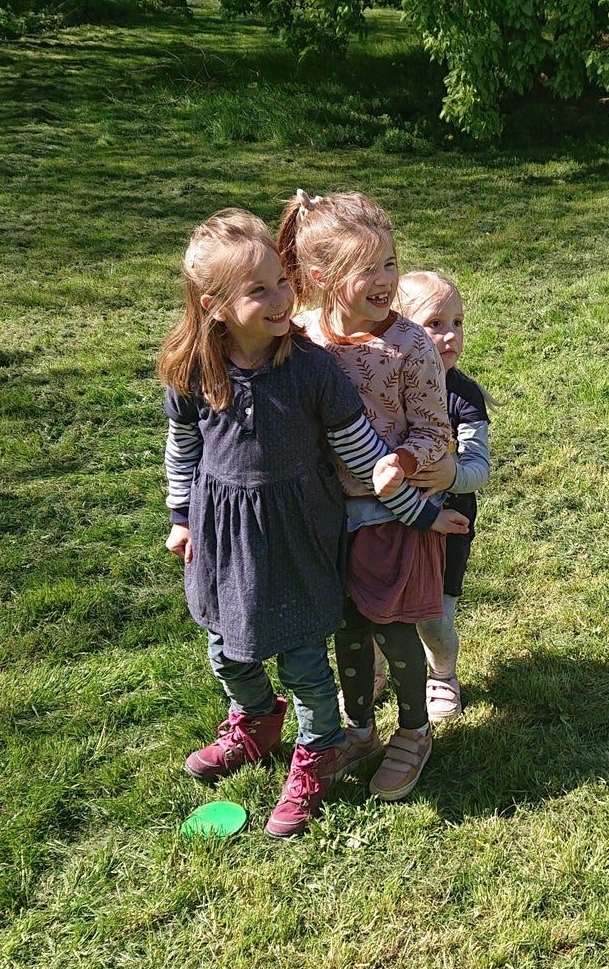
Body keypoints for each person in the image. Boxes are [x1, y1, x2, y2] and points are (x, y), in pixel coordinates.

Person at [161, 209, 442, 837]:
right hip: (223, 537)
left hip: (299, 537)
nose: (282, 297)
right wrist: (181, 515)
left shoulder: (312, 367)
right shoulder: (192, 368)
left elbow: (363, 451)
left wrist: (418, 511)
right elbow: (183, 445)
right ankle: (256, 720)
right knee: (226, 650)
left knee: (306, 664)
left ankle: (316, 756)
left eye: (281, 282)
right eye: (258, 289)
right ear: (214, 305)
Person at [280, 190, 465, 802]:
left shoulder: (410, 346)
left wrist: (405, 461)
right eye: (369, 268)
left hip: (391, 516)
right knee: (347, 629)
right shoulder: (303, 336)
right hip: (324, 517)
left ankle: (413, 731)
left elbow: (437, 431)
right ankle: (359, 727)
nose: (386, 279)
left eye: (390, 262)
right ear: (319, 277)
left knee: (392, 629)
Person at [395, 271, 492, 721]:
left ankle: (442, 675)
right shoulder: (386, 382)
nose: (450, 335)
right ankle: (376, 673)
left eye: (457, 322)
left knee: (435, 619)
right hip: (389, 522)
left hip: (448, 526)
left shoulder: (464, 396)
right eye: (435, 323)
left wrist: (450, 474)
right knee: (381, 612)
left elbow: (479, 469)